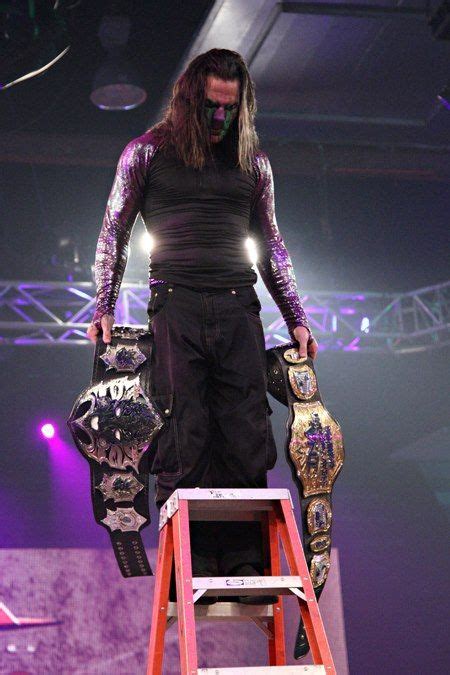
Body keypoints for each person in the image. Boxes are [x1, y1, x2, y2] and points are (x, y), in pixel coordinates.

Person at [87, 48, 318, 603]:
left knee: (244, 430)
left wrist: (297, 318)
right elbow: (114, 232)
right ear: (192, 98)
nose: (220, 117)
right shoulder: (146, 153)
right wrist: (103, 305)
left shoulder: (252, 162)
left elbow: (274, 249)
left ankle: (244, 562)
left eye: (230, 108)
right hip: (177, 304)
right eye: (212, 105)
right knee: (182, 430)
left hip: (239, 304)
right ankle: (188, 565)